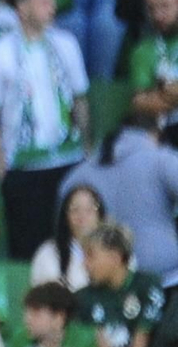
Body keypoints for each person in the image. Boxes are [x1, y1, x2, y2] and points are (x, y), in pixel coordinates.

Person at [0, 0, 91, 261]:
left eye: (52, 0)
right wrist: (0, 164)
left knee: (76, 245)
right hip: (24, 167)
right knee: (30, 249)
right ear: (22, 8)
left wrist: (86, 145)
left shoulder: (67, 44)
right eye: (43, 1)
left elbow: (80, 98)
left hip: (68, 159)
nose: (51, 7)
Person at [60, 114, 178, 293]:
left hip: (103, 282)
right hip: (166, 277)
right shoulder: (160, 159)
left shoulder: (76, 176)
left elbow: (62, 233)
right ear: (154, 134)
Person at [77, 222, 165, 347]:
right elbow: (99, 342)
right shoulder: (83, 297)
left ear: (115, 257)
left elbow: (143, 334)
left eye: (91, 256)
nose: (84, 264)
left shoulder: (148, 285)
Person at [128, 0, 178, 143]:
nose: (158, 15)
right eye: (151, 8)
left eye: (165, 6)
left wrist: (162, 92)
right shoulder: (143, 51)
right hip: (164, 137)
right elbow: (140, 103)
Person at [30, 184, 106, 292]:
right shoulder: (47, 253)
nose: (82, 215)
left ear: (100, 215)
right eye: (75, 209)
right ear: (65, 216)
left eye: (89, 209)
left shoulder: (116, 250)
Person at [17, 281, 98, 347]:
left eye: (36, 314)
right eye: (27, 313)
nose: (27, 320)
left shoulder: (85, 339)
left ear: (58, 318)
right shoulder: (19, 340)